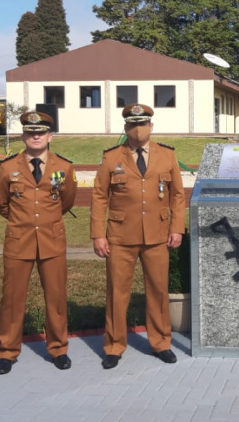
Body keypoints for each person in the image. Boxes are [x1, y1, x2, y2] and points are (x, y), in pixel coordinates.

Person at [90, 103, 185, 369]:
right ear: (125, 128)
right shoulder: (112, 157)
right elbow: (99, 197)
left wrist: (177, 227)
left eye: (143, 124)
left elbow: (177, 194)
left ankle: (161, 342)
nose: (138, 129)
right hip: (120, 236)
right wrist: (98, 234)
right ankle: (114, 346)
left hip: (157, 235)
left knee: (157, 291)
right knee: (117, 293)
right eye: (133, 125)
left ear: (151, 127)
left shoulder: (167, 156)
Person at [0, 111, 78, 375]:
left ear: (50, 136)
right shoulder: (6, 168)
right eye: (30, 132)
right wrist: (23, 220)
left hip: (51, 240)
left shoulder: (64, 167)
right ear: (23, 136)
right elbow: (0, 203)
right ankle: (7, 352)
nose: (36, 136)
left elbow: (67, 201)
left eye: (41, 132)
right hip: (19, 241)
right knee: (12, 299)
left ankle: (59, 349)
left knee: (56, 298)